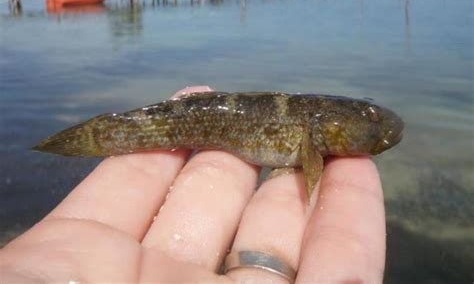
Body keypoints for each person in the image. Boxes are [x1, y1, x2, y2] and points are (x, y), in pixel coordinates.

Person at [0, 86, 386, 283]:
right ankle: (81, 140)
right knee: (125, 131)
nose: (375, 128)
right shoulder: (316, 135)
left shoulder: (318, 127)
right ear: (330, 126)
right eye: (368, 120)